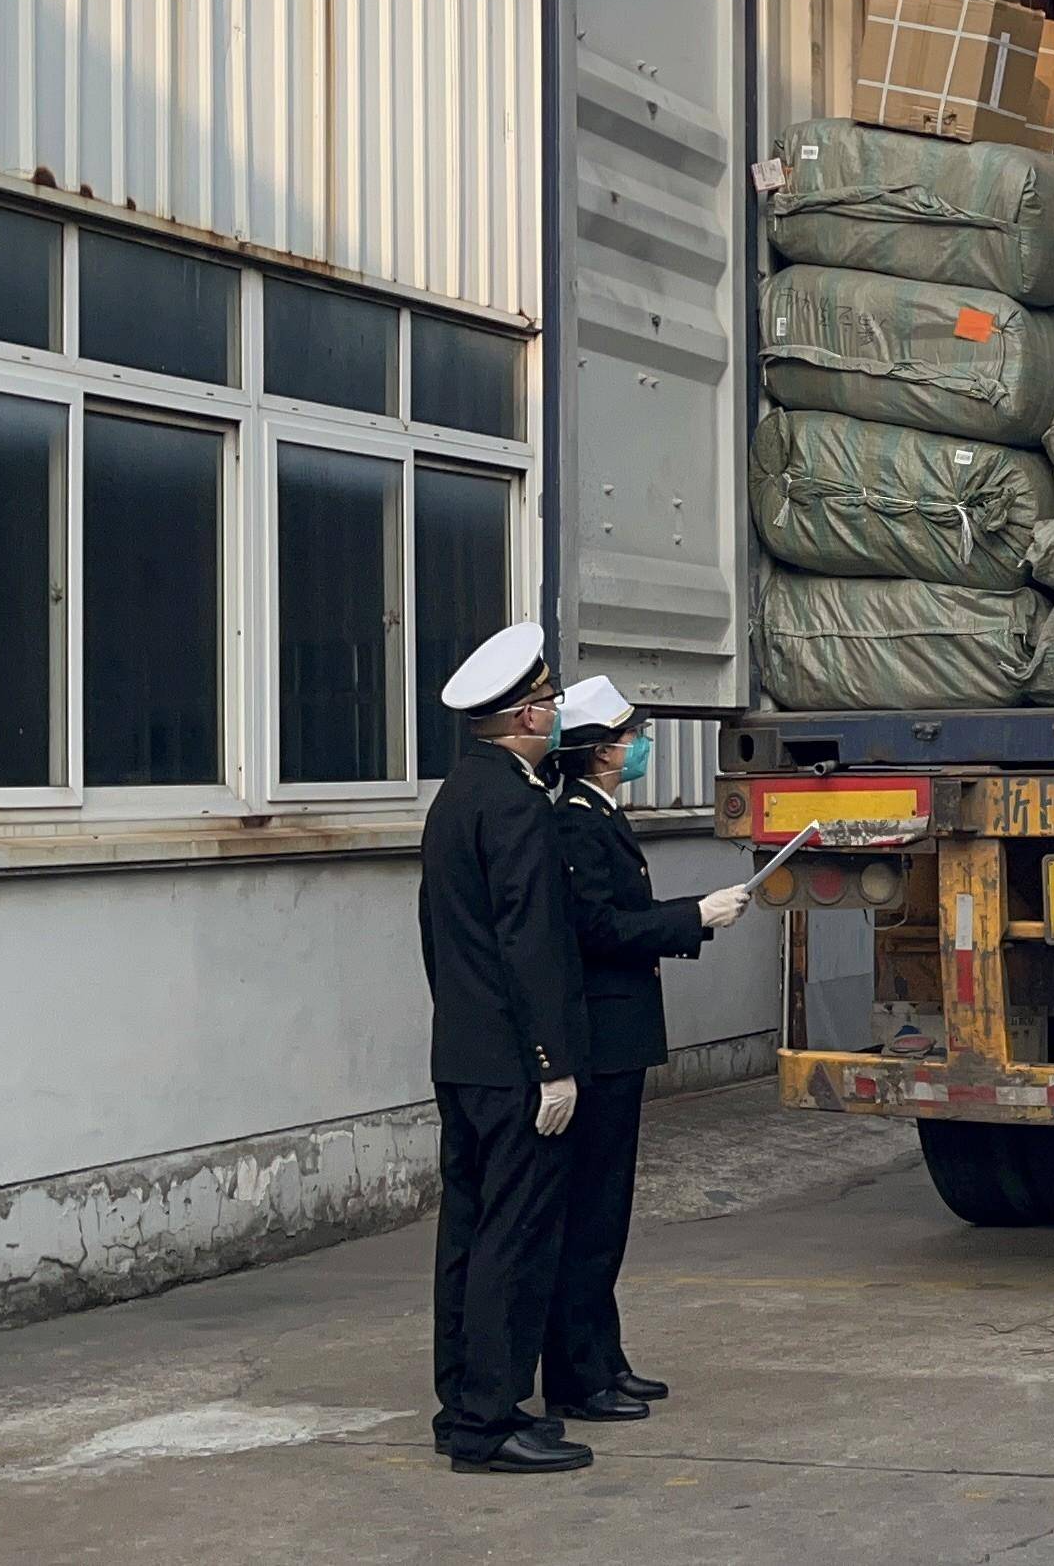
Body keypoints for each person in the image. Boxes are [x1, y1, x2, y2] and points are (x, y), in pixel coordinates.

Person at [537, 676, 751, 1423]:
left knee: (609, 1208)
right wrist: (693, 916)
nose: (640, 749)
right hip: (602, 1036)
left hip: (620, 1038)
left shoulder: (598, 815)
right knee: (591, 1211)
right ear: (599, 754)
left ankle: (603, 1357)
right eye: (630, 738)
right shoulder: (575, 823)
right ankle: (577, 1375)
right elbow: (600, 929)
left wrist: (692, 918)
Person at [416, 622, 595, 1477]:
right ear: (525, 715)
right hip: (516, 1064)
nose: (559, 711)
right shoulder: (518, 805)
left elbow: (441, 941)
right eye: (553, 701)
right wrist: (551, 1063)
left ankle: (462, 1406)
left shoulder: (458, 795)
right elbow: (531, 945)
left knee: (468, 1235)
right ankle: (490, 1422)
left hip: (464, 1054)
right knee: (512, 1243)